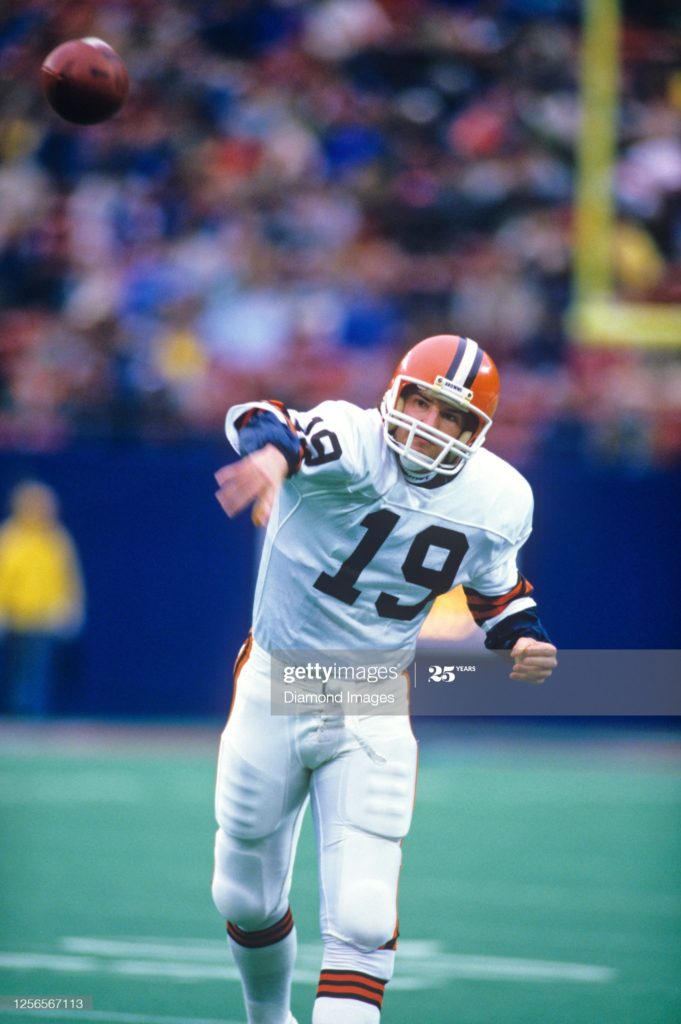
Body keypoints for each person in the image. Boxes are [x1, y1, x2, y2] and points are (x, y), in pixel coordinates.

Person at [211, 334, 558, 1024]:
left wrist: (522, 636)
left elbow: (496, 591)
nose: (428, 425)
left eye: (450, 416)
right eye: (420, 403)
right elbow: (261, 416)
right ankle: (265, 1017)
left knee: (364, 918)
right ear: (396, 394)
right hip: (277, 681)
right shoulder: (350, 435)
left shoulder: (498, 496)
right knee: (243, 896)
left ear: (475, 431)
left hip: (371, 696)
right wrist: (274, 453)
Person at [0, 480, 85, 716]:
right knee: (16, 668)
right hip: (17, 614)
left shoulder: (56, 538)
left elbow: (67, 576)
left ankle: (32, 714)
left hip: (44, 616)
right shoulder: (10, 537)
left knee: (38, 669)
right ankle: (15, 712)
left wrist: (71, 606)